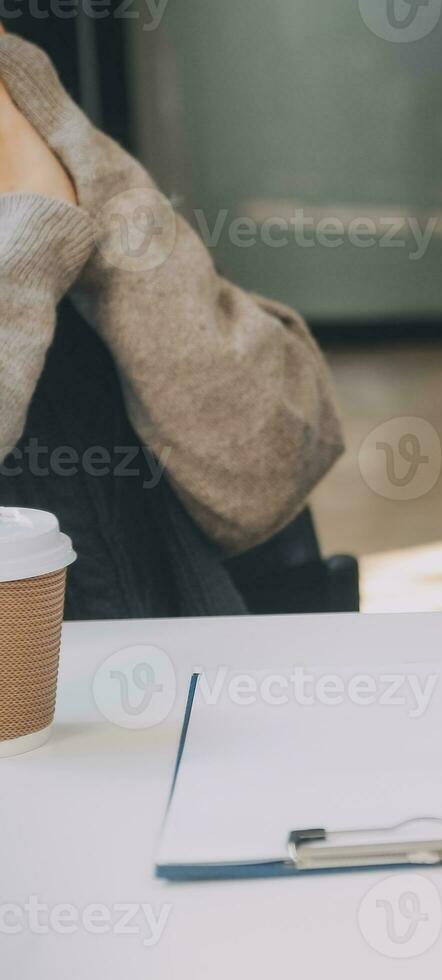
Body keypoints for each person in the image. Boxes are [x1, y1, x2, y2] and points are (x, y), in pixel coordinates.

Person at [0, 27, 343, 620]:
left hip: (191, 685)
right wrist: (33, 238)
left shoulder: (33, 125)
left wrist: (53, 138)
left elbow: (269, 465)